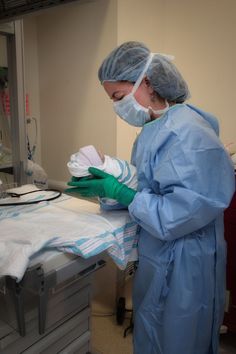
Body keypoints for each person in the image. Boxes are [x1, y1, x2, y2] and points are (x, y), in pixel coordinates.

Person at [67, 41, 235, 354]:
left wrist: (123, 192)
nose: (118, 107)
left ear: (146, 81)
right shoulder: (155, 129)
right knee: (153, 331)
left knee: (179, 340)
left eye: (118, 97)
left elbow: (179, 213)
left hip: (187, 263)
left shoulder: (190, 134)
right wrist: (110, 181)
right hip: (161, 255)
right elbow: (148, 189)